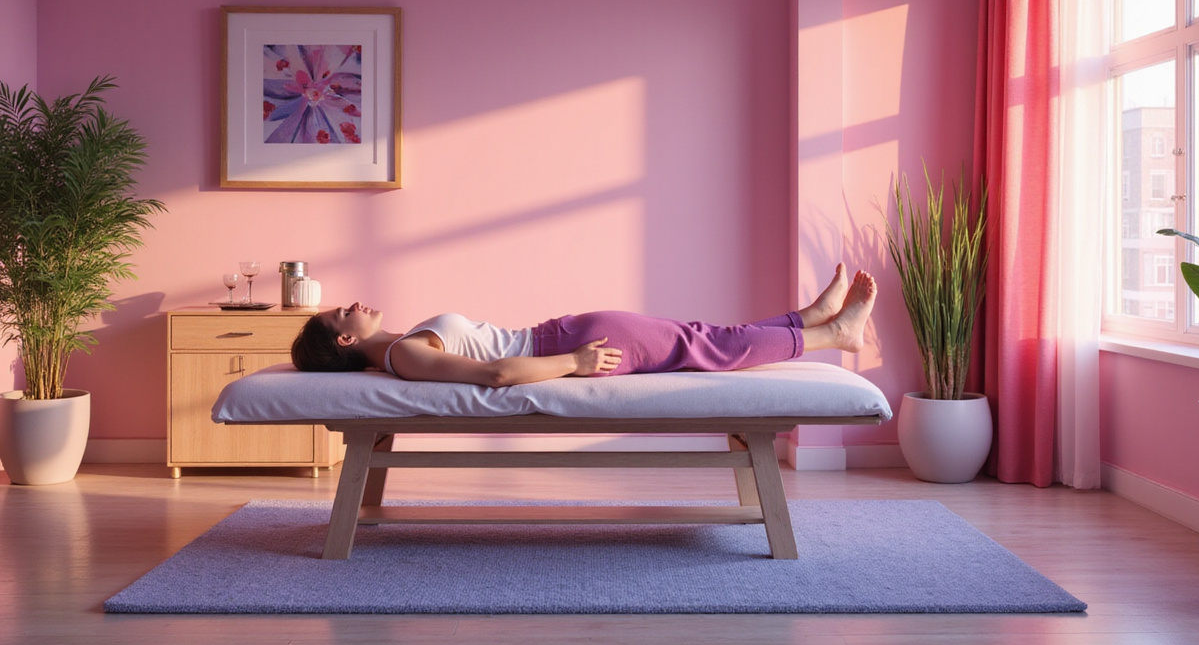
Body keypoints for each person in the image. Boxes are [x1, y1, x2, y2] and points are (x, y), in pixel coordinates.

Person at [290, 264, 877, 387]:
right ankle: (828, 334)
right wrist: (575, 362)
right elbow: (495, 373)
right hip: (577, 344)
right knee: (711, 345)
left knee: (707, 337)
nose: (356, 303)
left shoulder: (399, 343)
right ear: (346, 340)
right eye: (345, 311)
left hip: (568, 331)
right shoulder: (406, 357)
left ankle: (809, 319)